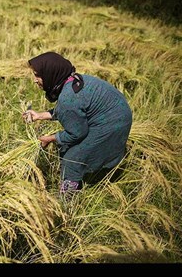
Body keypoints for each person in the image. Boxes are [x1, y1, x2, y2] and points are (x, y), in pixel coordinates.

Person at [22, 52, 132, 195]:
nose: (35, 80)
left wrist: (51, 138)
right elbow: (74, 110)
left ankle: (67, 199)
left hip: (112, 123)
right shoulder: (73, 80)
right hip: (119, 113)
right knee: (68, 148)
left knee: (72, 159)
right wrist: (39, 116)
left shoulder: (68, 98)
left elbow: (77, 133)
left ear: (51, 73)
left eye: (38, 75)